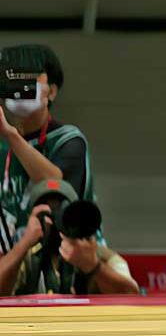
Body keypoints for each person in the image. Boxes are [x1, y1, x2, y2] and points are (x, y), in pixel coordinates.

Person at [0, 44, 98, 255]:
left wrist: (10, 134)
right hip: (12, 260)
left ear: (51, 92)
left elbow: (55, 184)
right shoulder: (2, 147)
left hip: (70, 260)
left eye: (28, 78)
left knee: (121, 275)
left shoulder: (68, 140)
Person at [0, 179, 137, 295]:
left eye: (61, 210)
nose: (54, 221)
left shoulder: (97, 254)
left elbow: (132, 296)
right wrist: (25, 242)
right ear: (32, 218)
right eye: (47, 212)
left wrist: (94, 267)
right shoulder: (25, 258)